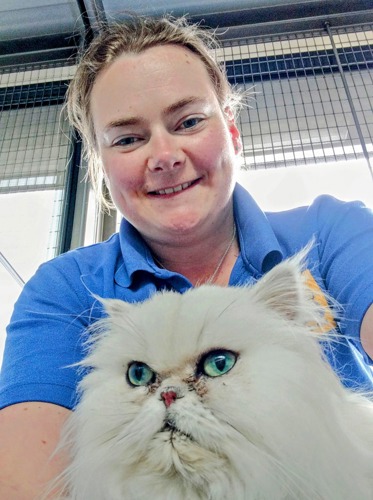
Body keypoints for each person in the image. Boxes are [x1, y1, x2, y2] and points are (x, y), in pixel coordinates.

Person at [0, 14, 372, 498]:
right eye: (128, 138)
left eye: (189, 121)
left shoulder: (330, 231)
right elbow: (27, 482)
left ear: (232, 133)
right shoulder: (67, 288)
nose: (165, 155)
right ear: (101, 169)